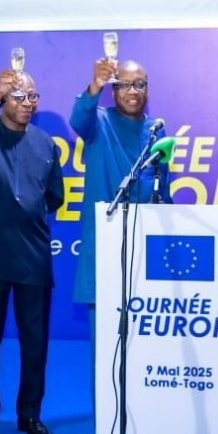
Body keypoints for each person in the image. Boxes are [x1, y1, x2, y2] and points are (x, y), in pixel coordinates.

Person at [0, 67, 64, 434]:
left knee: (35, 344)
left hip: (33, 256)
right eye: (18, 96)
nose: (27, 103)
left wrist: (25, 213)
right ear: (4, 99)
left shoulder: (47, 144)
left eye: (32, 96)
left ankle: (30, 414)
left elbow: (55, 196)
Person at [69, 58, 171, 329]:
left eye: (139, 84)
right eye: (124, 85)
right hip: (105, 242)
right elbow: (78, 119)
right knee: (105, 338)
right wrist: (95, 85)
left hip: (145, 246)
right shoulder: (100, 122)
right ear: (113, 91)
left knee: (144, 336)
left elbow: (163, 188)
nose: (133, 91)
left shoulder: (156, 130)